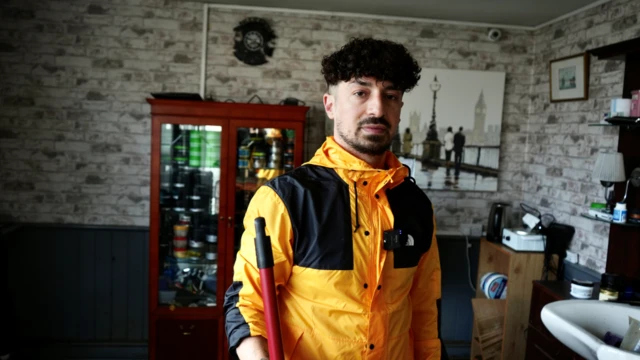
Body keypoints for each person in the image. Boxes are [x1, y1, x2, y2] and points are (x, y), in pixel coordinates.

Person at [224, 37, 444, 360]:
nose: (378, 108)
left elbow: (426, 311)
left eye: (391, 95)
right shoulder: (285, 199)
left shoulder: (417, 206)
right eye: (361, 92)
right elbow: (246, 303)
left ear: (399, 108)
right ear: (330, 105)